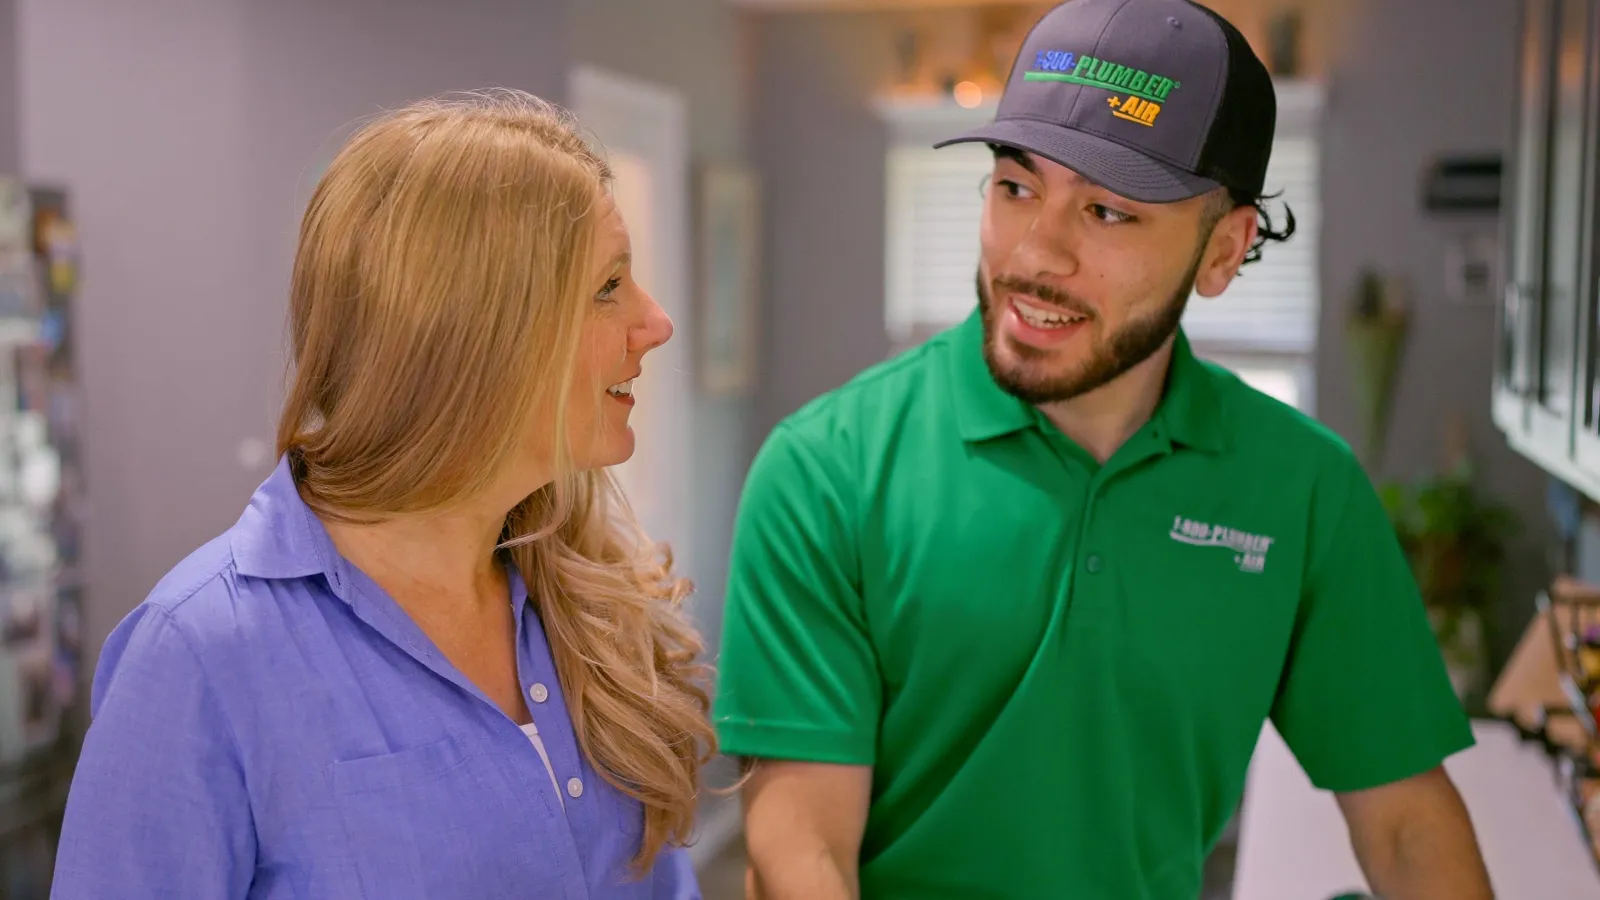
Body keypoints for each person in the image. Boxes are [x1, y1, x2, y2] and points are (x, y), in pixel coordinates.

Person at [713, 1, 1494, 898]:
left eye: (1109, 213)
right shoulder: (828, 470)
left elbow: (1403, 826)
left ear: (1224, 250)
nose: (1036, 253)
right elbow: (802, 842)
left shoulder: (1304, 490)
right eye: (1015, 187)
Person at [52, 90, 713, 899]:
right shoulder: (199, 657)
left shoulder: (592, 596)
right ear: (478, 334)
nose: (655, 322)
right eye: (610, 286)